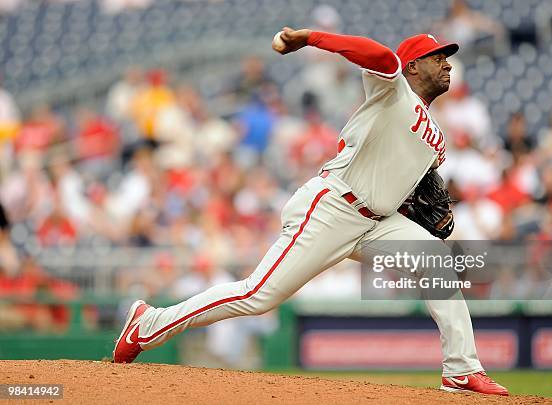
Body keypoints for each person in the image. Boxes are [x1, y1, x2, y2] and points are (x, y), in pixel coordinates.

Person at [113, 27, 508, 396]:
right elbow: (379, 55)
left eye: (448, 57)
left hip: (378, 222)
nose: (447, 63)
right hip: (334, 205)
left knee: (436, 260)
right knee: (257, 295)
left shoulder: (438, 140)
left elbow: (404, 185)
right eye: (437, 56)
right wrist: (311, 38)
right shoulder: (393, 90)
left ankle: (460, 368)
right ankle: (149, 323)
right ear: (413, 65)